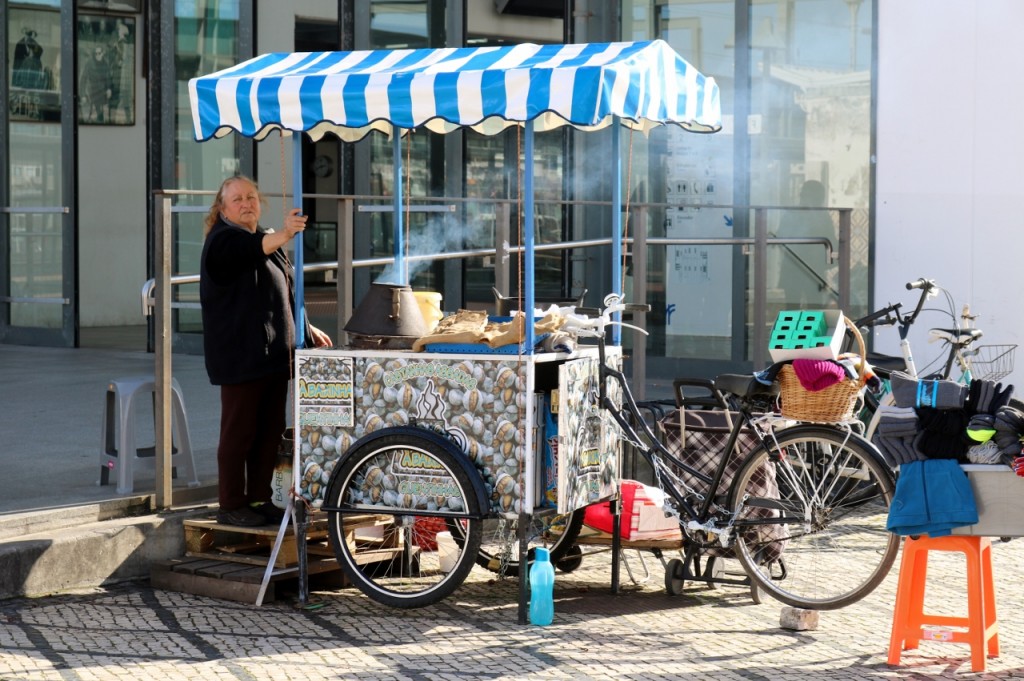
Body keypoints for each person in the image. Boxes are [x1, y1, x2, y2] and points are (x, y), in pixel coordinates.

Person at [200, 176, 331, 527]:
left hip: (273, 356)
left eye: (251, 197)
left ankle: (258, 498)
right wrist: (286, 233)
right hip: (241, 356)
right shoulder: (223, 241)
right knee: (239, 432)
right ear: (223, 208)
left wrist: (305, 328)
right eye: (238, 199)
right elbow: (250, 251)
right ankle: (230, 503)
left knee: (270, 432)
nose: (246, 203)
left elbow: (286, 292)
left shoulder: (266, 240)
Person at [775, 179, 837, 309]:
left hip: (813, 269)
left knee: (814, 309)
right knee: (793, 309)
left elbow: (830, 241)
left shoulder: (821, 216)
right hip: (794, 266)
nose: (802, 198)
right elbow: (781, 237)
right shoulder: (792, 215)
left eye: (805, 195)